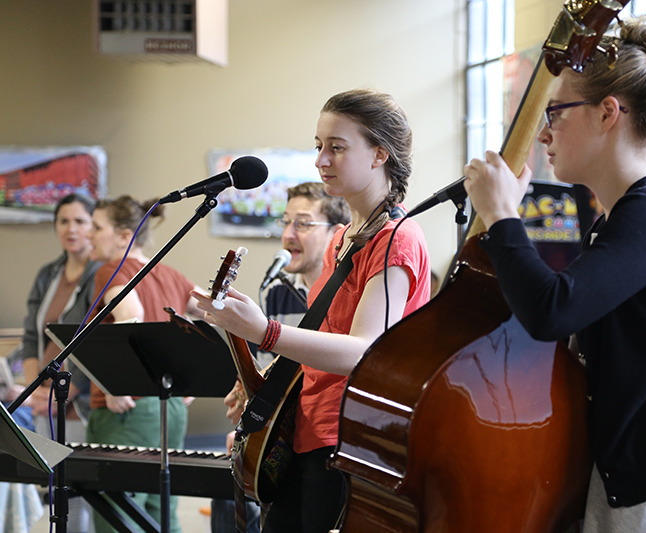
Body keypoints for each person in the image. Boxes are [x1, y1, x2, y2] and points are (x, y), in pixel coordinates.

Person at [462, 18, 646, 532]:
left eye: (555, 111)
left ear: (607, 114)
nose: (544, 131)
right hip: (628, 484)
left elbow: (553, 309)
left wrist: (504, 216)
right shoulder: (612, 218)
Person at [193, 88, 431, 533]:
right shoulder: (343, 238)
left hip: (348, 439)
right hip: (305, 431)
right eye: (319, 146)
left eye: (337, 147)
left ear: (380, 154)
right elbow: (321, 345)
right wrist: (266, 387)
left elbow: (362, 351)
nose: (321, 159)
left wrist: (265, 331)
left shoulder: (397, 238)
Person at [211, 181, 350, 533]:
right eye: (286, 222)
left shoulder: (345, 296)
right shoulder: (277, 292)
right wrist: (248, 395)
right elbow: (277, 375)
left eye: (303, 224)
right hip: (288, 439)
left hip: (327, 441)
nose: (288, 235)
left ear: (336, 234)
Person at [86, 195, 203, 533]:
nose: (89, 235)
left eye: (96, 228)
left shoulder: (112, 270)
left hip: (130, 409)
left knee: (117, 513)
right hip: (171, 410)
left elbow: (130, 316)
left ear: (124, 237)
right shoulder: (171, 275)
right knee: (161, 512)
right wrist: (189, 376)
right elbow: (213, 315)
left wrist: (116, 381)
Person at [19, 192, 100, 532]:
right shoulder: (48, 272)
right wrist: (35, 390)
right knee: (56, 491)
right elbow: (29, 336)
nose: (72, 229)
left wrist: (63, 394)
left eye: (80, 221)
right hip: (44, 399)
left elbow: (94, 346)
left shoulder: (102, 273)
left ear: (93, 226)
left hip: (78, 401)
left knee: (83, 493)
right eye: (63, 221)